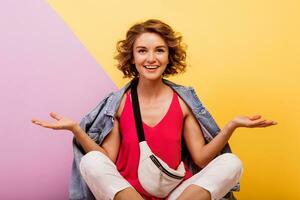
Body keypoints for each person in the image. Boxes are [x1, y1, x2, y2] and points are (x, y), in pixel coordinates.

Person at [32, 19, 277, 200]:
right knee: (92, 160)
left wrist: (231, 126)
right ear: (132, 57)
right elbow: (107, 160)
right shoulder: (119, 104)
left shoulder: (182, 102)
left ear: (169, 56)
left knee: (231, 163)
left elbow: (201, 158)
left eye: (159, 50)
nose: (151, 58)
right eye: (142, 51)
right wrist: (77, 129)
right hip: (129, 195)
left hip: (177, 194)